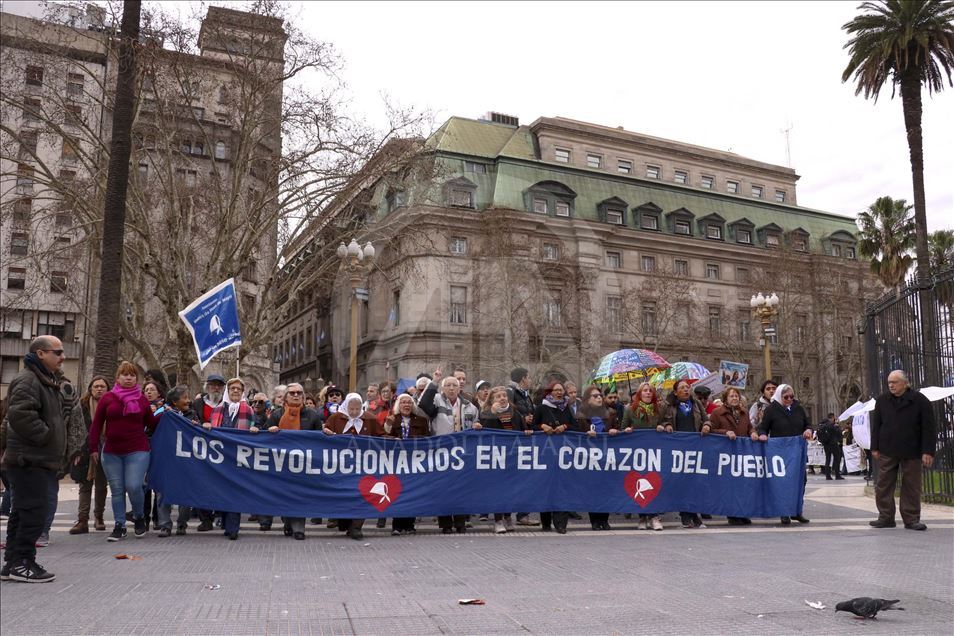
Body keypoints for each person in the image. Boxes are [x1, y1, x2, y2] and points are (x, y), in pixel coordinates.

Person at [1, 336, 69, 583]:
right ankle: (22, 561)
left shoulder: (43, 379)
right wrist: (46, 437)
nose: (62, 356)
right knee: (33, 513)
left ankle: (14, 562)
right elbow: (19, 415)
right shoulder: (29, 380)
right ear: (40, 353)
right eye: (57, 352)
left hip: (33, 459)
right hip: (29, 460)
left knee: (23, 511)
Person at [89, 361, 160, 542]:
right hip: (111, 452)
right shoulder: (108, 398)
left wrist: (166, 414)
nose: (128, 378)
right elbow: (96, 425)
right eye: (124, 374)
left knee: (134, 486)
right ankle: (119, 525)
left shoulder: (142, 399)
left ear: (136, 378)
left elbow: (151, 424)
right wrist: (93, 448)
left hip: (138, 450)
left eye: (132, 375)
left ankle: (138, 517)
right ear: (117, 377)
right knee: (117, 490)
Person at [869, 370, 936, 531]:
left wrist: (928, 451)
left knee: (911, 485)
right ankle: (885, 517)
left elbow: (929, 428)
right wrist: (874, 446)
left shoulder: (920, 401)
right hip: (887, 448)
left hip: (912, 449)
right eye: (889, 382)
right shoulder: (882, 401)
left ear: (905, 383)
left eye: (895, 382)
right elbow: (876, 425)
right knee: (883, 484)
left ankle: (911, 518)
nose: (891, 385)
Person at [256, 383, 321, 536]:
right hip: (281, 464)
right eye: (292, 393)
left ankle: (298, 528)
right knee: (284, 493)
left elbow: (320, 440)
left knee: (299, 495)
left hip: (303, 465)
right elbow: (262, 436)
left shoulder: (312, 415)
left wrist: (325, 433)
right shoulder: (277, 415)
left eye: (299, 393)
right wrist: (268, 430)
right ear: (286, 397)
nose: (296, 395)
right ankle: (288, 522)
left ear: (303, 397)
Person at [419, 372, 480, 533]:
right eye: (448, 385)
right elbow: (423, 405)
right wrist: (434, 382)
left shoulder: (470, 406)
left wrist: (477, 427)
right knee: (443, 488)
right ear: (443, 388)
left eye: (455, 385)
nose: (452, 388)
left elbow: (475, 425)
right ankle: (445, 524)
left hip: (462, 453)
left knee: (461, 489)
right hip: (441, 452)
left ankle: (460, 523)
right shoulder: (436, 401)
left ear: (459, 388)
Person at [323, 392, 384, 540]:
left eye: (358, 409)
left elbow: (381, 436)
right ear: (346, 407)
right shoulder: (336, 418)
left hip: (363, 466)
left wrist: (393, 440)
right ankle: (344, 522)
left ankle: (357, 527)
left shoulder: (369, 418)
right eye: (352, 409)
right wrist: (326, 432)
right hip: (340, 466)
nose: (355, 413)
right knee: (343, 494)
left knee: (362, 495)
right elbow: (324, 434)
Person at [757, 383, 813, 525]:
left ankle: (797, 510)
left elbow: (808, 424)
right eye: (786, 397)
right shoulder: (771, 410)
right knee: (783, 482)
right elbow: (763, 427)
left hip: (797, 452)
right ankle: (784, 511)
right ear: (780, 396)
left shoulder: (799, 409)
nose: (789, 399)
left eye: (791, 397)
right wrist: (763, 435)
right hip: (780, 453)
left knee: (801, 481)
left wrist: (808, 430)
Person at [479, 386, 531, 533]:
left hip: (512, 456)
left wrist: (526, 431)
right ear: (492, 400)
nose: (502, 398)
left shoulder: (516, 413)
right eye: (498, 396)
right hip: (495, 456)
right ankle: (498, 520)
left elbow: (522, 430)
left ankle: (508, 517)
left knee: (510, 488)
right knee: (497, 489)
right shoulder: (486, 413)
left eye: (504, 396)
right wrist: (493, 414)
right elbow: (485, 431)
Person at [663, 379, 710, 529]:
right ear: (676, 392)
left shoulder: (696, 404)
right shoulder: (669, 406)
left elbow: (706, 420)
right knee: (681, 482)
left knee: (694, 482)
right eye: (682, 388)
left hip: (694, 448)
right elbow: (662, 421)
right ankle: (685, 515)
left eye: (687, 387)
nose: (685, 390)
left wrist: (706, 426)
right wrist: (667, 424)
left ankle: (694, 514)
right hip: (677, 450)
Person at [531, 381, 577, 534]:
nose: (559, 392)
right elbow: (532, 426)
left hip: (563, 454)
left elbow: (574, 426)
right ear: (549, 392)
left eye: (561, 390)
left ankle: (561, 524)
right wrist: (543, 427)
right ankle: (545, 522)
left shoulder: (566, 408)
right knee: (546, 487)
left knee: (562, 488)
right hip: (545, 453)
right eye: (556, 390)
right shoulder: (541, 407)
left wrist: (564, 427)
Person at [708, 387, 759, 525]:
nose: (735, 398)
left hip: (742, 454)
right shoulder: (717, 413)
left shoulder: (744, 413)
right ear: (725, 399)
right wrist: (725, 432)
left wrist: (753, 432)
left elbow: (749, 427)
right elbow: (711, 429)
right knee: (729, 486)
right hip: (726, 454)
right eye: (732, 396)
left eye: (736, 395)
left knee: (742, 485)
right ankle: (732, 514)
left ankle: (742, 512)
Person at [383, 394, 430, 535]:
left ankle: (410, 524)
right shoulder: (392, 419)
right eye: (403, 402)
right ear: (398, 405)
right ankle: (396, 525)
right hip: (396, 461)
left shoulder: (421, 420)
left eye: (409, 402)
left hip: (414, 461)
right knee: (397, 492)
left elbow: (427, 438)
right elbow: (382, 437)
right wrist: (388, 425)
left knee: (412, 492)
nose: (406, 405)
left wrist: (413, 441)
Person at [621, 382, 666, 531]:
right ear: (639, 394)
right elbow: (623, 427)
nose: (648, 393)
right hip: (637, 451)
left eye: (650, 391)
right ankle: (642, 517)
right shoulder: (629, 409)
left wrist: (662, 427)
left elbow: (664, 423)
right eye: (645, 391)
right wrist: (626, 430)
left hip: (653, 451)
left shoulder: (658, 409)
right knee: (640, 482)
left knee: (653, 481)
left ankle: (654, 516)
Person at [69, 376, 110, 534]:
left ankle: (99, 518)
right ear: (90, 389)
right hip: (85, 451)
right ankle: (82, 520)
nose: (99, 389)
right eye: (96, 386)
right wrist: (75, 451)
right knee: (84, 486)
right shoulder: (81, 406)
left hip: (105, 450)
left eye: (102, 386)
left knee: (101, 486)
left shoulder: (112, 405)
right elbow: (74, 428)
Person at [575, 386, 618, 530]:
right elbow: (575, 435)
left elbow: (619, 429)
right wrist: (585, 433)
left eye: (600, 395)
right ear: (587, 399)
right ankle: (594, 520)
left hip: (607, 457)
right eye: (595, 396)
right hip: (589, 458)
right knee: (592, 488)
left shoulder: (611, 413)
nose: (599, 398)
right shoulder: (580, 415)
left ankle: (604, 520)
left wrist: (614, 431)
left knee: (606, 487)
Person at [155, 386, 196, 537]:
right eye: (184, 398)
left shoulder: (192, 415)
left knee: (185, 492)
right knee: (162, 492)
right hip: (165, 459)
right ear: (174, 401)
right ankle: (165, 525)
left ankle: (182, 524)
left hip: (185, 461)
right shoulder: (161, 413)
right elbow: (149, 429)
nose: (188, 401)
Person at [507, 367, 538, 527]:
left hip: (526, 438)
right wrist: (522, 418)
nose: (530, 380)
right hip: (515, 440)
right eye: (529, 377)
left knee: (526, 478)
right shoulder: (510, 392)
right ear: (522, 379)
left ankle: (523, 514)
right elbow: (507, 412)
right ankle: (506, 515)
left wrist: (530, 418)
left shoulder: (525, 395)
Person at [817, 412, 845, 480]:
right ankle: (837, 475)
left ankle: (827, 475)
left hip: (826, 444)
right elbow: (837, 432)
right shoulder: (831, 425)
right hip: (833, 443)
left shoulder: (822, 424)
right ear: (832, 417)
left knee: (828, 459)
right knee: (837, 458)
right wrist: (837, 426)